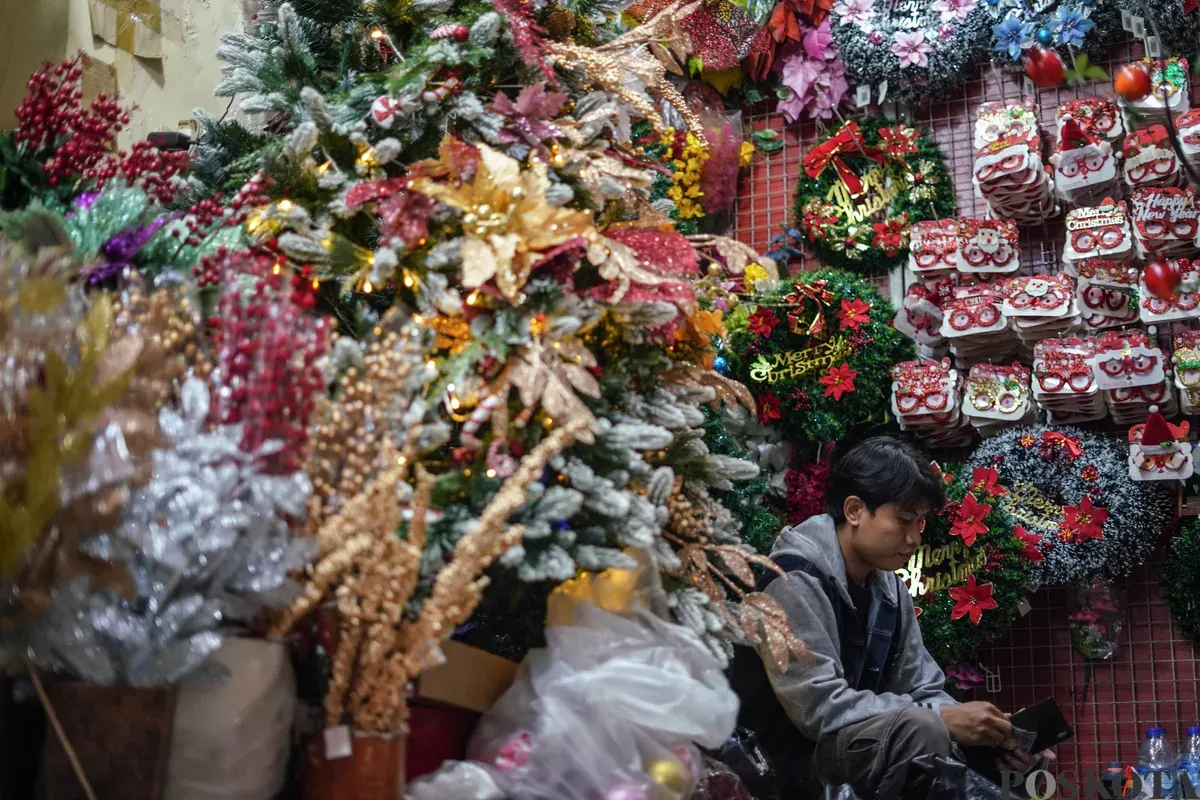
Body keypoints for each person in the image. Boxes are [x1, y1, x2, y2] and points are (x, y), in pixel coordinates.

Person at [730, 436, 1047, 800]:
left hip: (858, 747)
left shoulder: (890, 590)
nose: (914, 538)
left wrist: (994, 733)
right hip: (789, 764)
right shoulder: (793, 580)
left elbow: (923, 687)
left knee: (1000, 751)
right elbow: (818, 709)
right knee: (923, 728)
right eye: (903, 520)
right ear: (854, 511)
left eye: (921, 522)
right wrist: (942, 720)